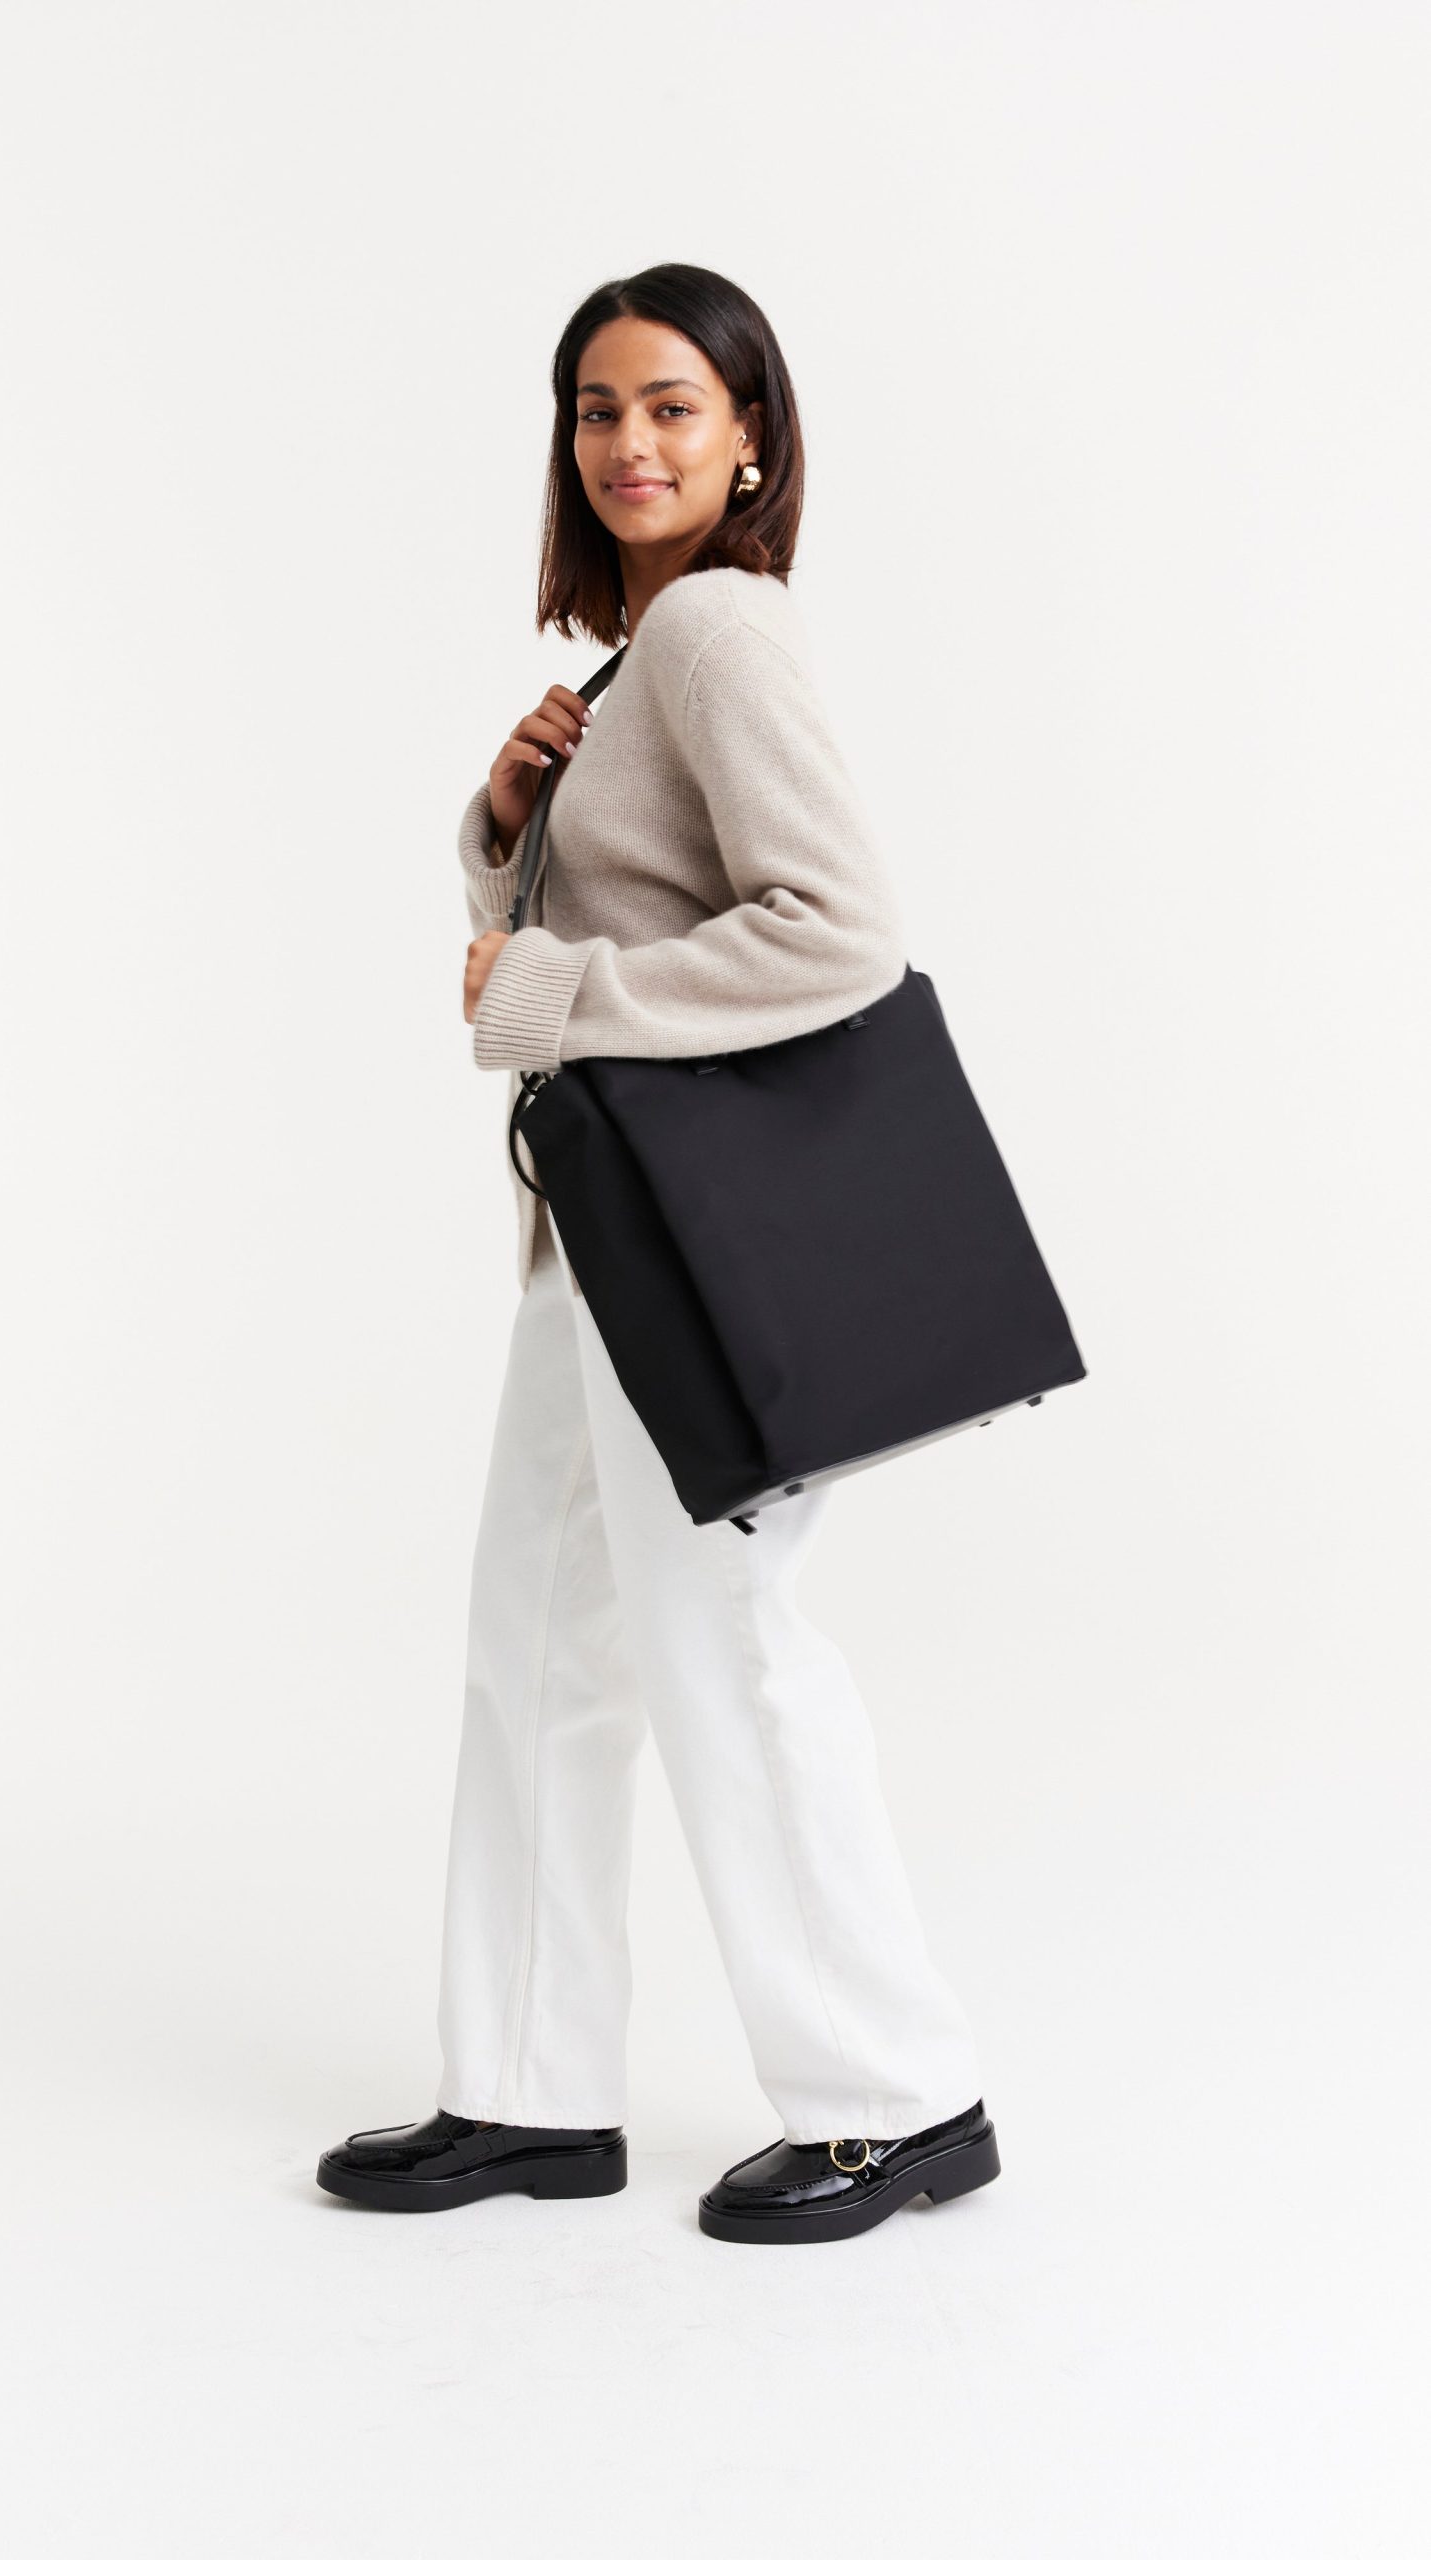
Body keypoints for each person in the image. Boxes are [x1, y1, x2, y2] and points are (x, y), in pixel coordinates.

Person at [317, 264, 1000, 2244]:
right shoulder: (636, 658)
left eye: (674, 407)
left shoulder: (713, 629)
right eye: (598, 408)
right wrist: (505, 822)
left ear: (750, 439)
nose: (629, 441)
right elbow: (619, 916)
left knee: (727, 1644)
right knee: (540, 1644)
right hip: (598, 1239)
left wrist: (557, 989)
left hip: (691, 1242)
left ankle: (896, 2097)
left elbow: (836, 932)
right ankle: (527, 2090)